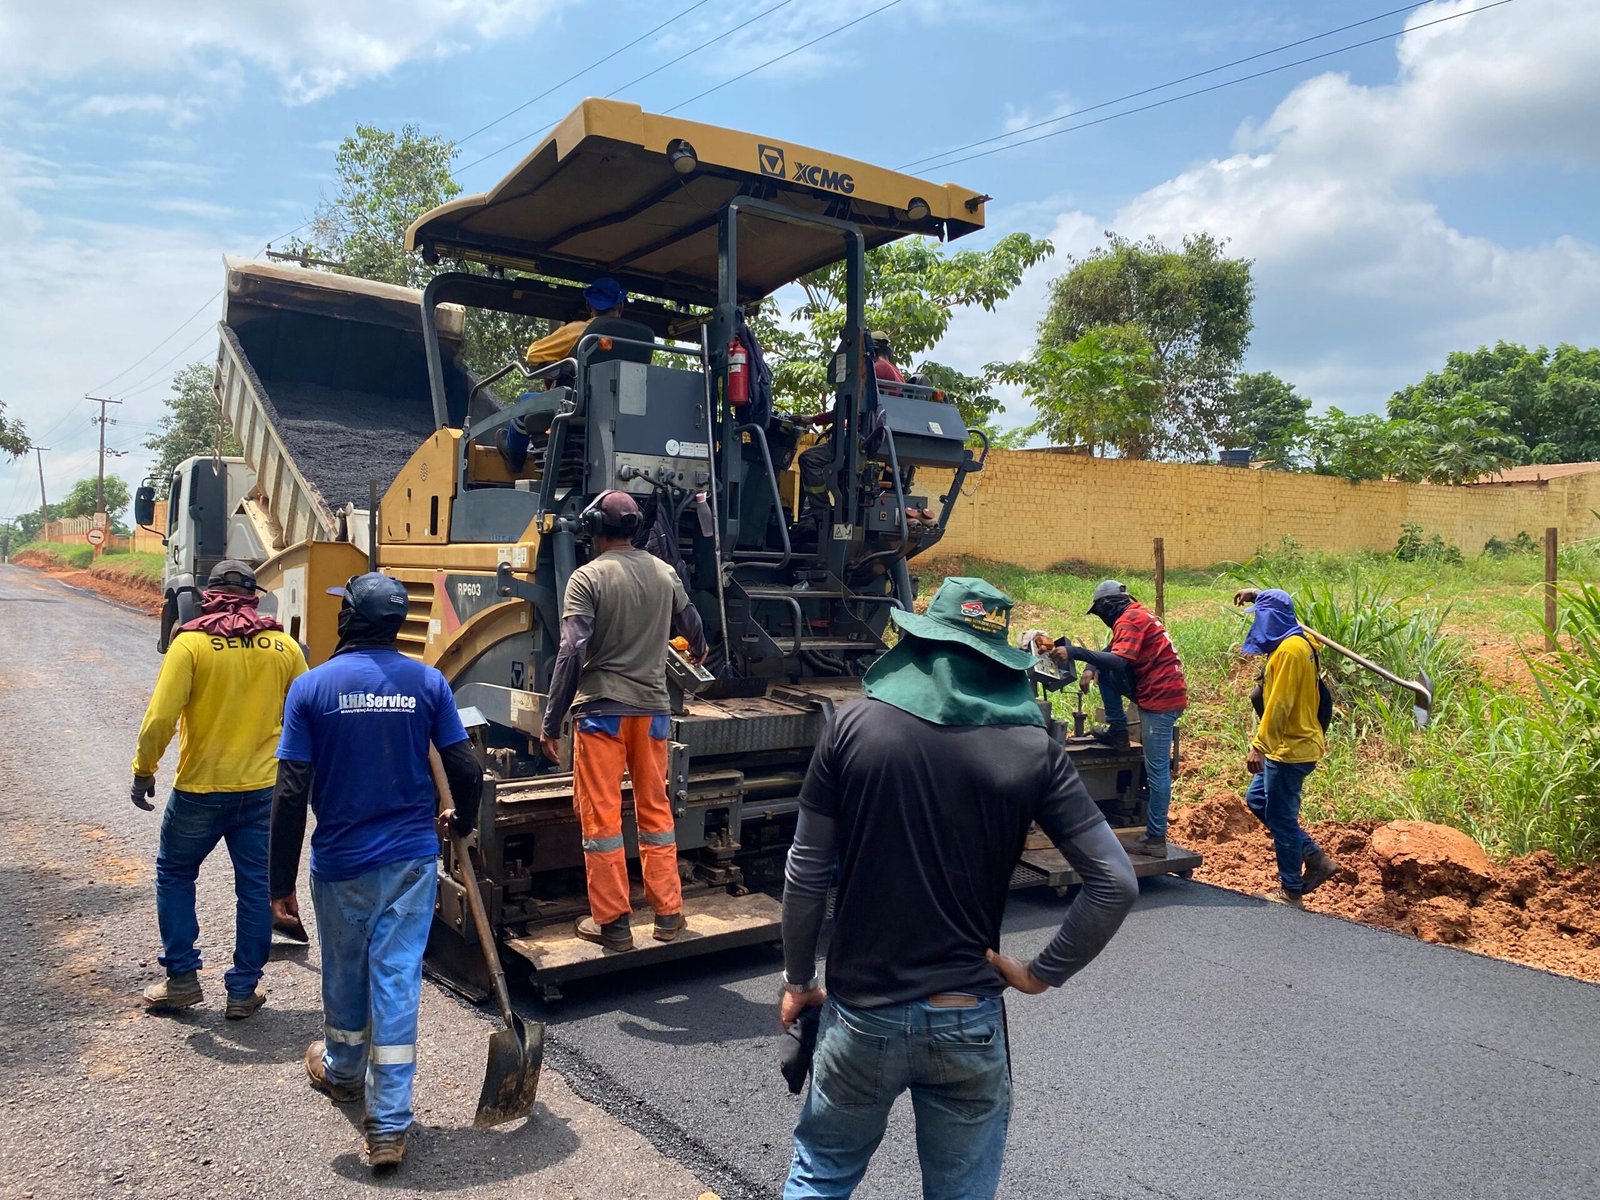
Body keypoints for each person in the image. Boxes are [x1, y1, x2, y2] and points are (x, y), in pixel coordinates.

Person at [779, 577, 1138, 1200]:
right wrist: (1039, 972)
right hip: (966, 1017)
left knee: (822, 1174)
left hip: (862, 1012)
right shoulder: (1035, 752)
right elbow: (1116, 883)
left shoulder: (850, 727)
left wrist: (798, 980)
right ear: (1001, 664)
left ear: (919, 642)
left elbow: (806, 870)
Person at [269, 572, 483, 1171]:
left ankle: (342, 1072)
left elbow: (290, 791)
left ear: (348, 621)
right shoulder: (428, 683)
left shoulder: (311, 688)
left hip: (340, 863)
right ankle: (388, 1123)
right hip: (411, 859)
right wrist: (462, 820)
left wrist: (278, 883)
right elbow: (465, 768)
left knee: (343, 971)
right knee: (396, 978)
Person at [131, 559, 307, 1019]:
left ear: (208, 596)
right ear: (254, 596)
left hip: (199, 790)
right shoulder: (284, 646)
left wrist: (144, 769)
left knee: (174, 874)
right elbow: (305, 717)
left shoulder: (190, 644)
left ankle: (183, 979)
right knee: (254, 891)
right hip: (263, 791)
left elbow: (161, 718)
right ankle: (242, 990)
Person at [540, 490, 708, 951]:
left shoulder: (586, 578)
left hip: (601, 715)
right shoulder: (664, 571)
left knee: (603, 817)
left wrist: (551, 720)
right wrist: (695, 648)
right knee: (655, 812)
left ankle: (612, 923)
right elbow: (695, 630)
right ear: (635, 528)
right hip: (653, 713)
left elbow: (571, 650)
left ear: (595, 528)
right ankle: (669, 914)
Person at [1232, 588, 1340, 907]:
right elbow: (1285, 610)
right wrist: (1258, 595)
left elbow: (1279, 704)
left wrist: (1259, 746)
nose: (1258, 623)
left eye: (1263, 616)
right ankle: (1314, 857)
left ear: (1274, 619)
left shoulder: (1290, 652)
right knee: (1257, 799)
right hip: (1292, 744)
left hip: (1290, 748)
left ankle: (1291, 890)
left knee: (1281, 818)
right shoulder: (1300, 639)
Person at [1064, 580, 1188, 858]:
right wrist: (1090, 666)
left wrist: (1075, 653)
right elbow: (1112, 649)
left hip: (1160, 698)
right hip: (1159, 691)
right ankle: (1118, 731)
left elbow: (1119, 661)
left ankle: (1155, 838)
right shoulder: (1137, 615)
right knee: (1104, 670)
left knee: (1156, 771)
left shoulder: (1130, 619)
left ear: (1107, 606)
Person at [500, 276, 653, 470]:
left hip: (578, 407)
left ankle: (515, 455)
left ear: (590, 306)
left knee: (525, 402)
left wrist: (561, 365)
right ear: (621, 306)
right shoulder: (641, 342)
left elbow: (533, 354)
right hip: (623, 414)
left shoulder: (579, 331)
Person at [795, 332, 905, 526]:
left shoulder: (874, 370)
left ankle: (820, 515)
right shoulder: (896, 372)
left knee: (809, 459)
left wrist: (813, 419)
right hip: (879, 440)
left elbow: (849, 407)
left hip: (862, 440)